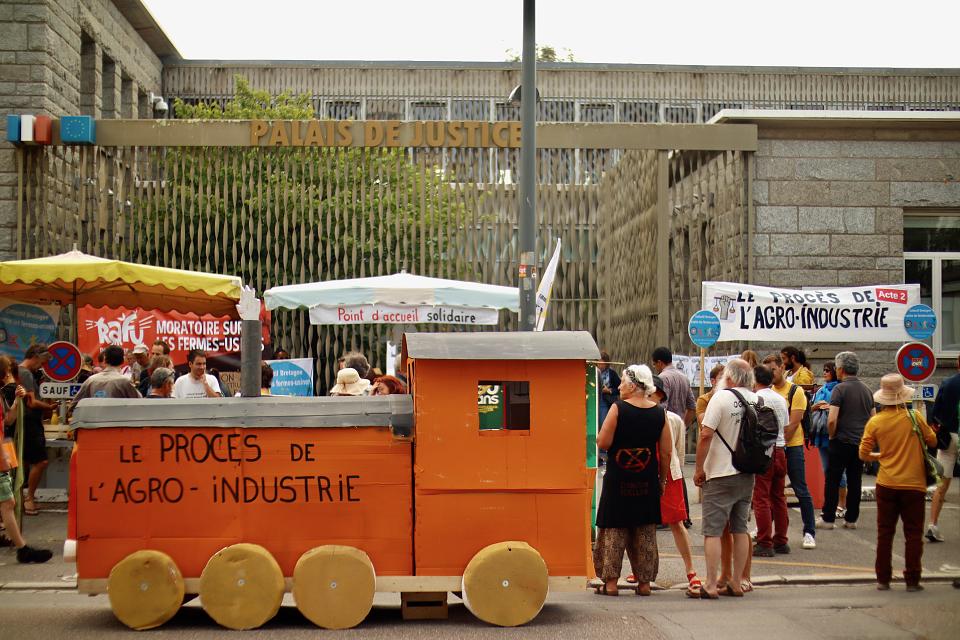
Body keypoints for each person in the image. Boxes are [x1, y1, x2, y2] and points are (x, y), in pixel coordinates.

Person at [593, 364, 671, 597]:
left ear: (634, 385)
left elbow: (603, 443)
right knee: (644, 528)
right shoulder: (659, 412)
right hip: (646, 477)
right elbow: (666, 452)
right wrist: (662, 479)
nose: (618, 386)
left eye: (623, 381)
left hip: (619, 477)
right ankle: (644, 583)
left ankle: (611, 583)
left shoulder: (618, 409)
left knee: (614, 527)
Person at [859, 374, 936, 592]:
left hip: (886, 482)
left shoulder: (876, 421)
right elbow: (932, 440)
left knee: (885, 532)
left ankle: (883, 579)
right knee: (913, 533)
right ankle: (912, 579)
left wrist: (881, 456)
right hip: (914, 483)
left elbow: (863, 453)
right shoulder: (914, 417)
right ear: (903, 395)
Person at [694, 358, 756, 599]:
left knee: (713, 531)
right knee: (741, 529)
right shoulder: (756, 399)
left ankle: (711, 584)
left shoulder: (721, 398)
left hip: (719, 473)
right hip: (746, 472)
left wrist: (699, 468)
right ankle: (738, 582)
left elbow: (706, 434)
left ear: (728, 377)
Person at [650, 375, 701, 598]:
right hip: (666, 472)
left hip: (666, 473)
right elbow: (679, 453)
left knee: (672, 523)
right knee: (652, 524)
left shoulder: (669, 418)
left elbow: (677, 453)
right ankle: (644, 570)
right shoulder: (672, 418)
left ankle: (690, 570)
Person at [0, 356, 52, 563]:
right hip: (1, 453)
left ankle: (21, 547)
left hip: (3, 449)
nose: (10, 376)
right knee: (8, 502)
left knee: (8, 502)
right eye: (8, 372)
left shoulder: (3, 395)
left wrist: (17, 402)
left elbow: (7, 420)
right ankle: (23, 549)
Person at [764, 354, 816, 550]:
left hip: (791, 446)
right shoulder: (768, 391)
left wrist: (780, 443)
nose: (770, 374)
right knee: (772, 492)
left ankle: (809, 531)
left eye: (773, 370)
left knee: (800, 488)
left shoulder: (796, 391)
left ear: (781, 368)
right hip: (775, 447)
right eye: (767, 370)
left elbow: (793, 424)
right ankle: (767, 529)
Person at [818, 351, 874, 530]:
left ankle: (828, 518)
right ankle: (851, 518)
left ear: (840, 369)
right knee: (855, 480)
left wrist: (832, 435)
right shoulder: (866, 390)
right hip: (860, 441)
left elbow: (832, 418)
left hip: (841, 440)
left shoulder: (839, 389)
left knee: (832, 480)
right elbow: (873, 418)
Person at [751, 365, 790, 557]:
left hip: (765, 451)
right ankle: (781, 540)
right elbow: (785, 424)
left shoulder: (756, 399)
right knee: (778, 496)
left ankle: (764, 541)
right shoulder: (781, 399)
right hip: (781, 449)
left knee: (761, 498)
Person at [18, 344, 56, 517]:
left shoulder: (20, 371)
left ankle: (21, 498)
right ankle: (29, 498)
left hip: (23, 422)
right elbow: (32, 402)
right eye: (42, 361)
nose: (42, 365)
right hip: (30, 421)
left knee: (25, 461)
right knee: (41, 461)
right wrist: (49, 407)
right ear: (35, 356)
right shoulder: (25, 373)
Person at [928, 355, 959, 542]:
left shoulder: (947, 383)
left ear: (958, 363)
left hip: (948, 438)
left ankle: (933, 524)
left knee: (942, 484)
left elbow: (936, 413)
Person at [811, 363, 846, 519]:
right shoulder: (820, 390)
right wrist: (817, 406)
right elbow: (810, 408)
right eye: (823, 370)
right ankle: (831, 502)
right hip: (821, 433)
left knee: (839, 471)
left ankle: (842, 504)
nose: (824, 373)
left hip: (836, 434)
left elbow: (843, 409)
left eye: (827, 370)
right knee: (827, 470)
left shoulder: (840, 389)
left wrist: (829, 407)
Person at [69, 345, 142, 412]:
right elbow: (140, 402)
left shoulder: (91, 380)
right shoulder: (125, 381)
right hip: (117, 423)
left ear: (105, 359)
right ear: (123, 360)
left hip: (94, 423)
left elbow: (73, 406)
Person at [651, 346, 696, 425]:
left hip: (666, 428)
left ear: (660, 363)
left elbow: (662, 408)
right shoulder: (684, 377)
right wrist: (683, 427)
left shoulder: (662, 378)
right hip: (679, 430)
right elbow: (692, 407)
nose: (655, 368)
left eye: (654, 364)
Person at [597, 351, 621, 429]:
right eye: (598, 363)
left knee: (603, 422)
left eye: (602, 364)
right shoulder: (594, 372)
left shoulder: (612, 373)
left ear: (607, 364)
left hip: (605, 400)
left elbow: (619, 388)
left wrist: (609, 390)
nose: (600, 366)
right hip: (595, 397)